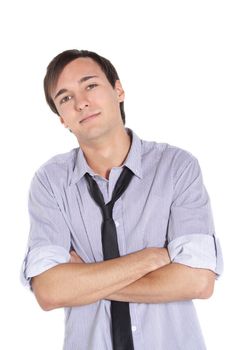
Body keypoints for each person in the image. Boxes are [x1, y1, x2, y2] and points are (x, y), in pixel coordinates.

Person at [21, 49, 223, 350]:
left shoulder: (177, 167)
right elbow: (50, 292)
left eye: (90, 85)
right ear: (62, 119)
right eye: (65, 98)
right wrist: (154, 258)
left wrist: (84, 279)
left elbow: (198, 282)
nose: (81, 102)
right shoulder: (50, 183)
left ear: (118, 90)